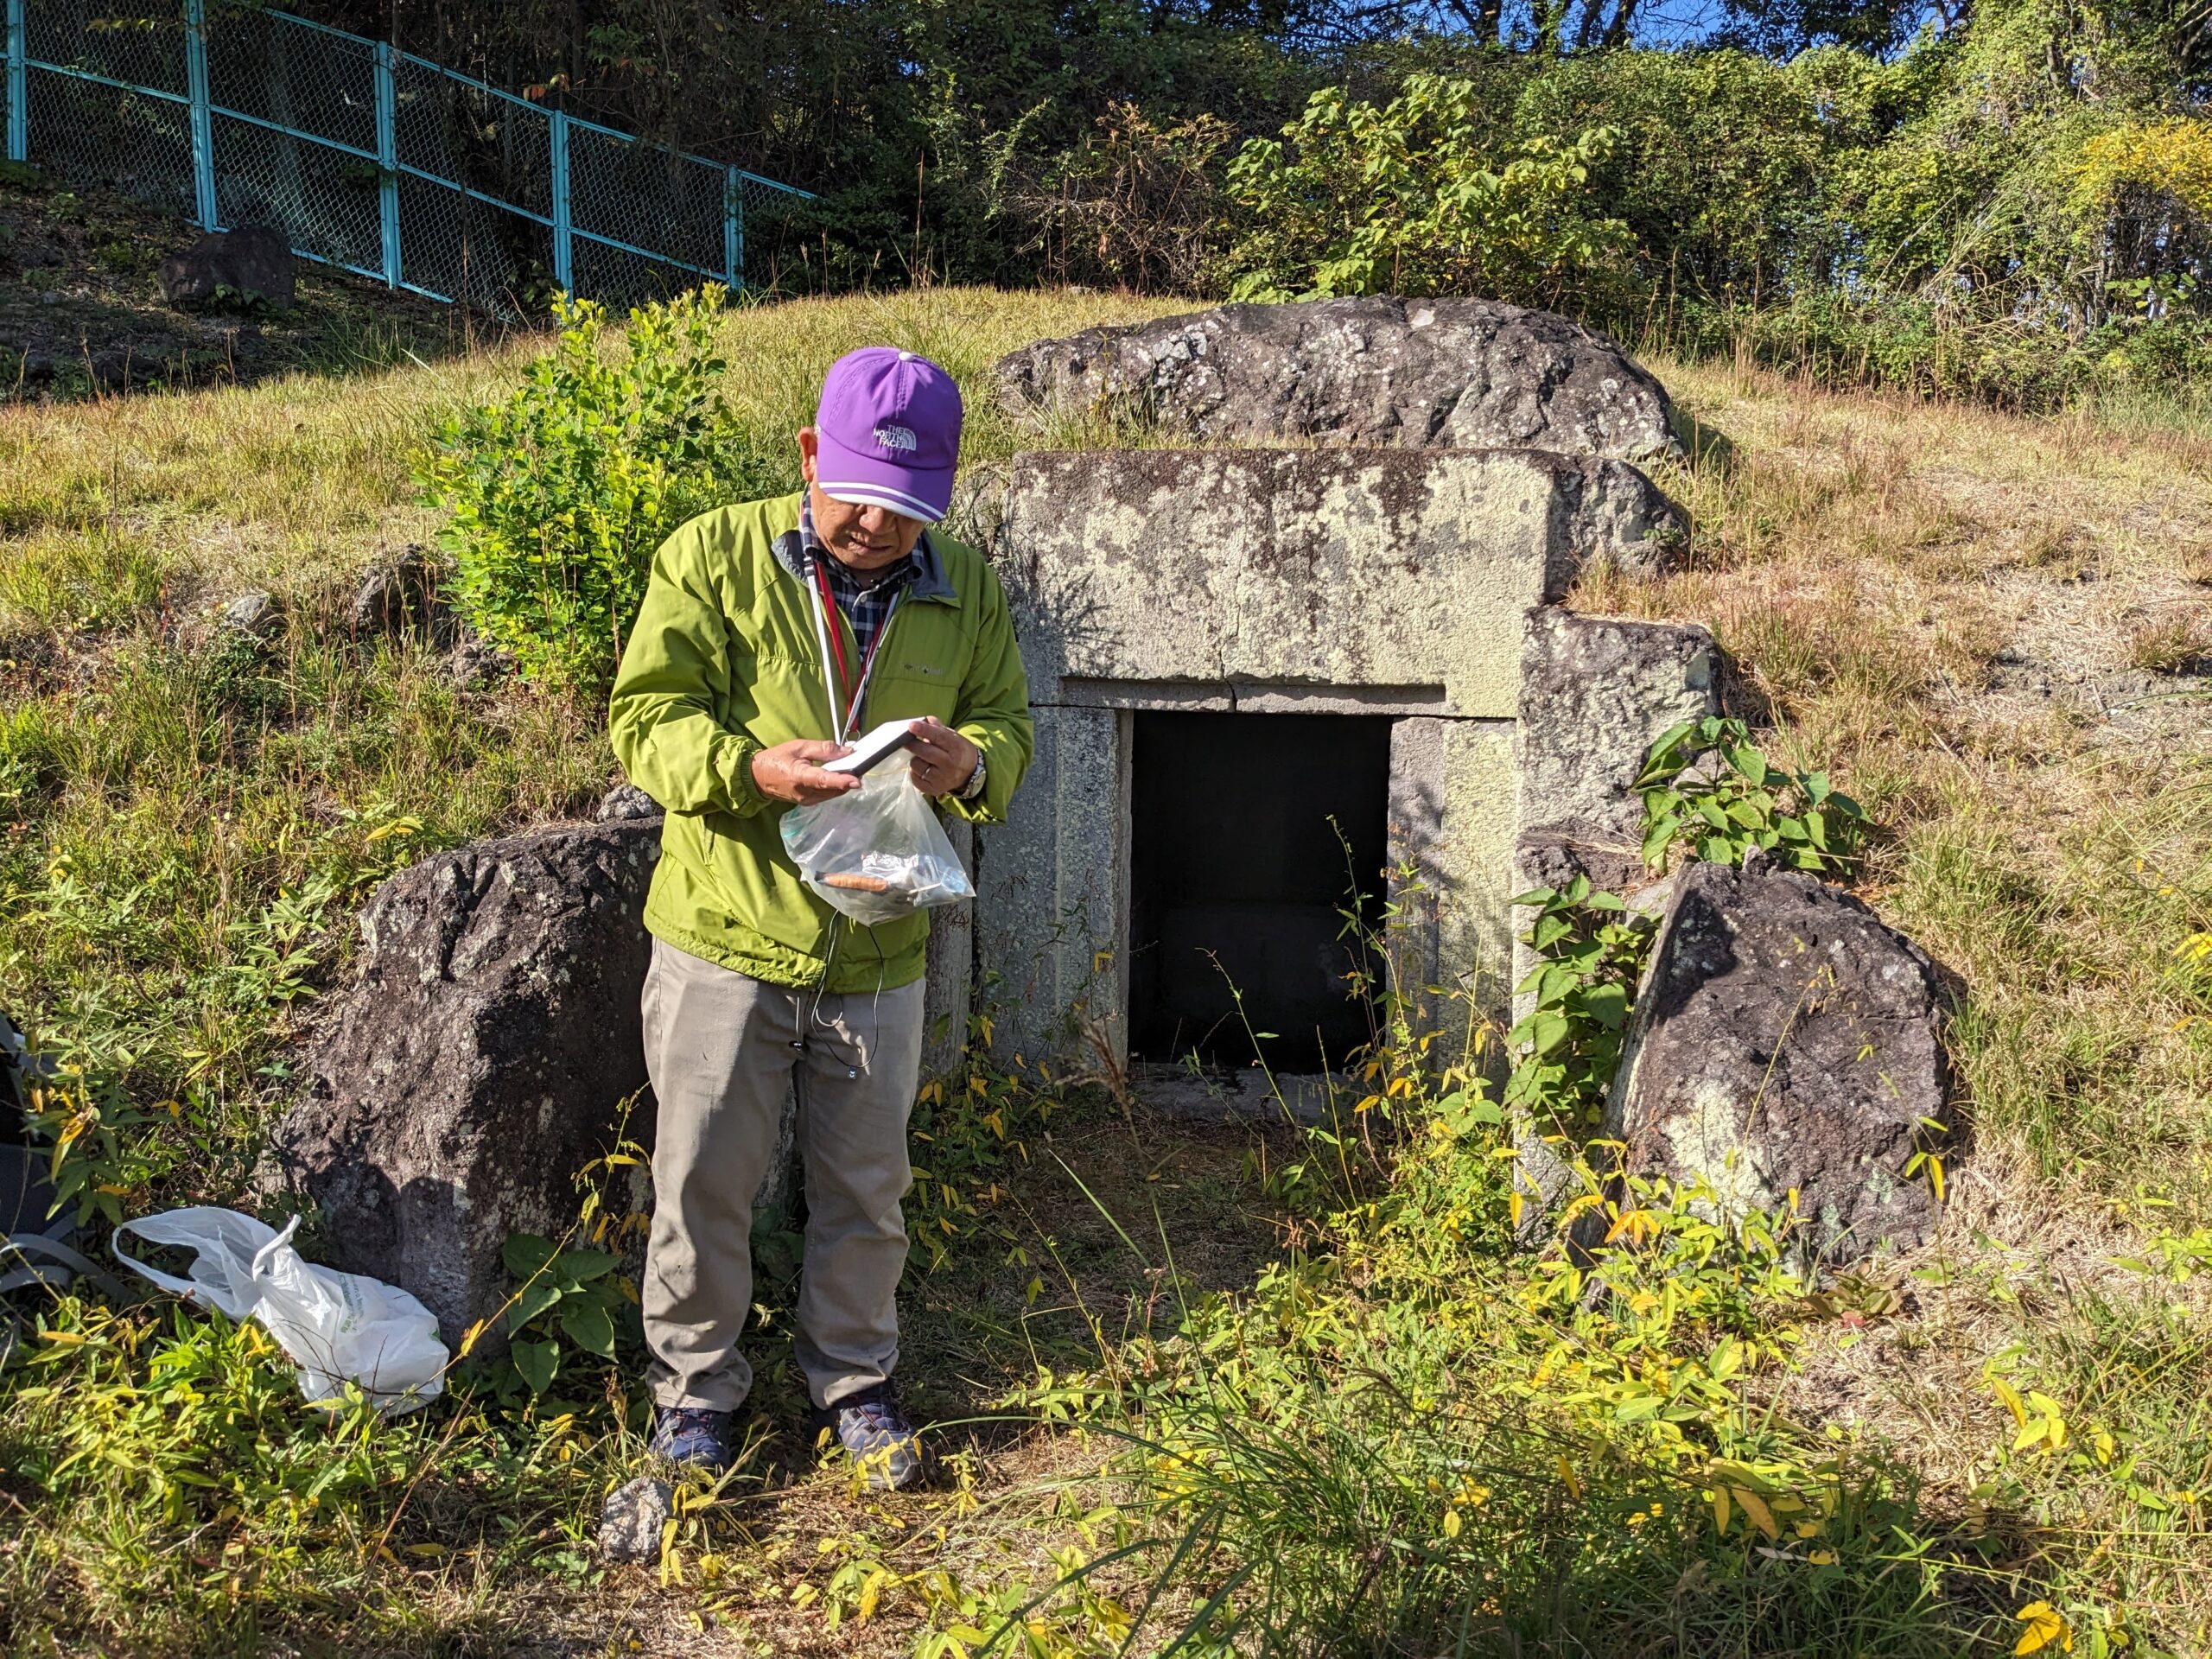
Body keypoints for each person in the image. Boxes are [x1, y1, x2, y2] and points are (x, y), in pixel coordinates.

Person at [607, 347, 1033, 1487]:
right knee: (701, 1180)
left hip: (881, 945)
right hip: (725, 935)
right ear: (808, 458)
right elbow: (644, 717)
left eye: (906, 512)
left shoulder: (968, 584)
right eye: (858, 501)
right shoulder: (712, 557)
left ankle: (855, 1383)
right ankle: (695, 1398)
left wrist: (970, 763)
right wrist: (750, 768)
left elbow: (1007, 726)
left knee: (867, 1185)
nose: (878, 529)